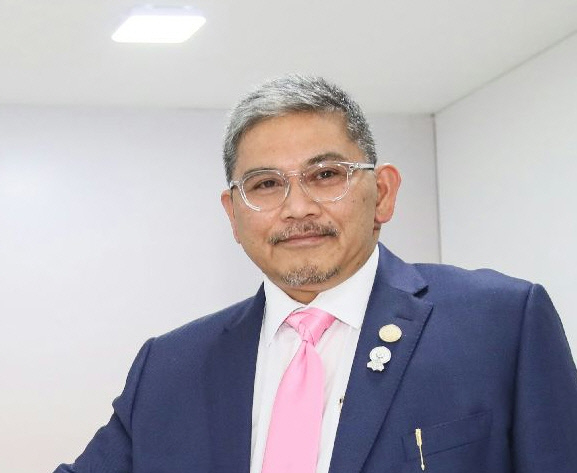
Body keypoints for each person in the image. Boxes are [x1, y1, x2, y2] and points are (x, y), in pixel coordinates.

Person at [54, 75, 577, 473]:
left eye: (326, 175)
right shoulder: (171, 366)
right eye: (265, 184)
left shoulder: (500, 324)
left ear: (383, 193)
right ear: (233, 215)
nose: (297, 207)